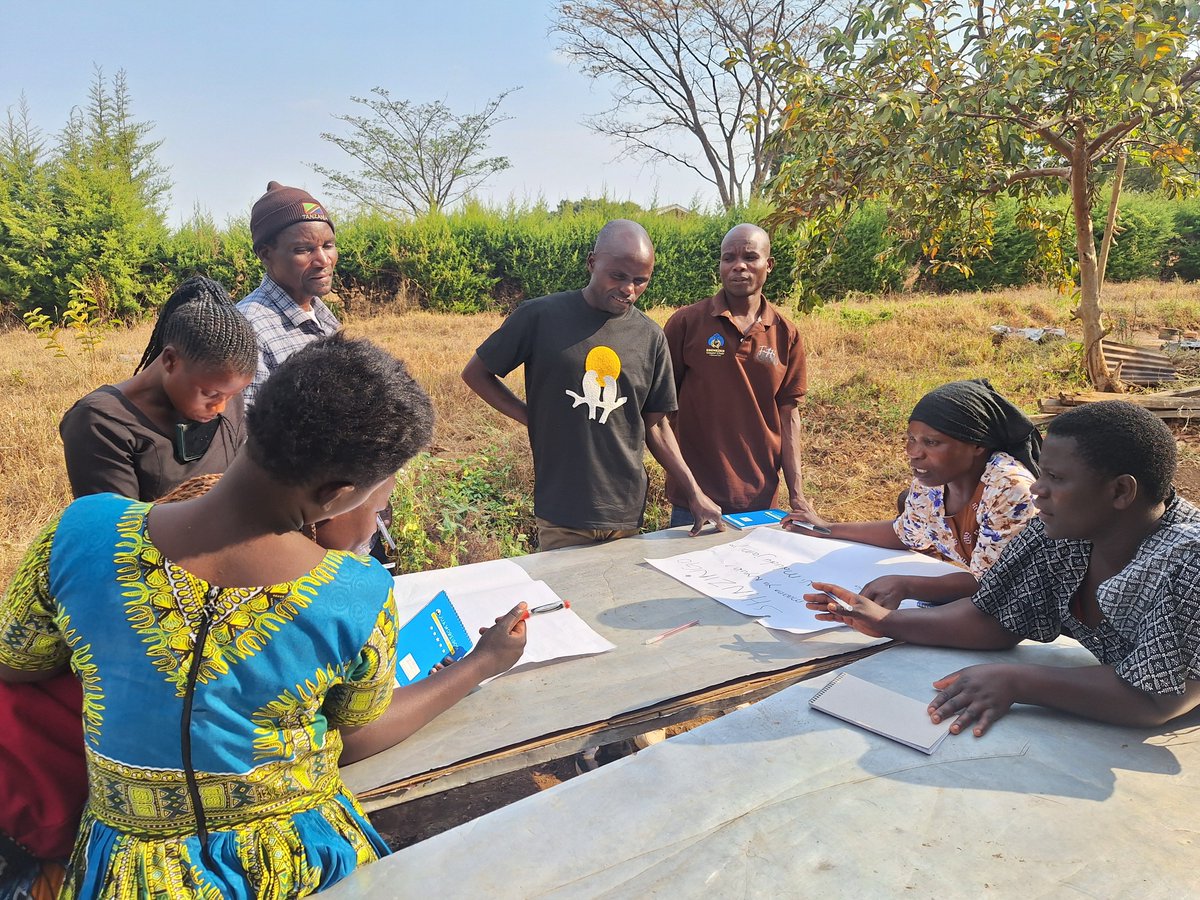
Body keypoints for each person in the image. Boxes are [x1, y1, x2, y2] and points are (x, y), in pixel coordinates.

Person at [0, 334, 527, 898]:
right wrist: (480, 664)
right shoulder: (356, 593)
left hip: (128, 868)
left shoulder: (81, 531)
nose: (378, 522)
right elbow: (357, 729)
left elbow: (16, 664)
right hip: (293, 864)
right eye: (378, 505)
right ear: (335, 493)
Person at [805, 400, 1200, 737]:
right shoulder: (1061, 534)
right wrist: (887, 621)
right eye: (1041, 472)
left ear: (1120, 491)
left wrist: (1018, 681)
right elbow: (992, 617)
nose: (1036, 489)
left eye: (1056, 479)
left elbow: (1158, 698)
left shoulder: (1187, 562)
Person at [461, 219, 722, 550]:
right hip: (562, 512)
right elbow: (477, 373)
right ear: (592, 262)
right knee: (564, 600)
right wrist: (532, 416)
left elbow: (654, 427)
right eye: (618, 276)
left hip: (626, 513)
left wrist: (694, 492)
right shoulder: (540, 317)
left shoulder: (650, 337)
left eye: (640, 280)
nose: (629, 289)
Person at [787, 379, 1040, 605]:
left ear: (977, 444)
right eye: (911, 439)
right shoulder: (933, 479)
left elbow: (991, 585)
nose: (913, 452)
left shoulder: (1010, 490)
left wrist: (907, 586)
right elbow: (905, 532)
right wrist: (826, 529)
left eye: (931, 443)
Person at [663, 223, 813, 527]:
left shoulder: (786, 334)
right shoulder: (686, 324)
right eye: (728, 258)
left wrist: (797, 495)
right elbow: (661, 410)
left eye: (750, 257)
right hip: (693, 501)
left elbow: (789, 417)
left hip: (759, 501)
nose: (738, 266)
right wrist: (688, 485)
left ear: (768, 265)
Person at [59, 275, 257, 502]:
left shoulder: (227, 398)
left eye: (231, 395)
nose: (221, 407)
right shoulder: (100, 423)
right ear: (171, 360)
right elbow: (118, 530)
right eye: (211, 394)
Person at [237, 181, 341, 407]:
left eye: (328, 245)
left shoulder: (320, 315)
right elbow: (245, 435)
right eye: (303, 250)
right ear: (266, 254)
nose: (323, 260)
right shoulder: (250, 331)